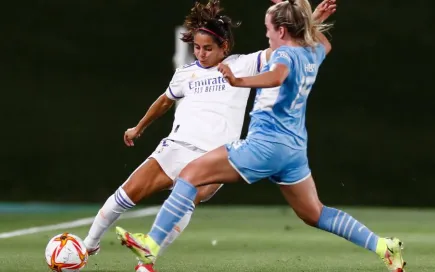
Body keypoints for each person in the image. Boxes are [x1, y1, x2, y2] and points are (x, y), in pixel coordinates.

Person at [116, 0, 407, 272]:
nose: (267, 35)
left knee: (190, 174)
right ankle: (384, 246)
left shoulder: (283, 54)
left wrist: (238, 80)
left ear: (281, 30)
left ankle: (151, 246)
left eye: (269, 29)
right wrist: (310, 20)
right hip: (292, 151)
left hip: (264, 146)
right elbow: (320, 43)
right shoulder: (311, 52)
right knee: (314, 214)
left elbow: (277, 75)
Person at [83, 1, 274, 271]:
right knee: (127, 193)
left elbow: (279, 50)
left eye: (208, 48)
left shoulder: (243, 65)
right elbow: (164, 101)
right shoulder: (185, 74)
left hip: (215, 156)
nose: (201, 53)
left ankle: (145, 264)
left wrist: (303, 17)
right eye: (197, 47)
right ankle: (88, 244)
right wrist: (139, 127)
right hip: (177, 147)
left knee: (186, 199)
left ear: (225, 48)